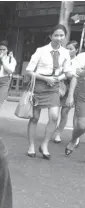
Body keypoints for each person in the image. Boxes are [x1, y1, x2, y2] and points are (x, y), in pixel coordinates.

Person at [25, 24, 72, 160]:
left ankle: (44, 145)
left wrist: (58, 78)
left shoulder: (65, 53)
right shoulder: (41, 51)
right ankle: (31, 146)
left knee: (54, 117)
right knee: (34, 117)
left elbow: (68, 72)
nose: (59, 38)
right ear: (51, 36)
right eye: (56, 35)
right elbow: (29, 70)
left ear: (64, 36)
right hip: (39, 85)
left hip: (54, 87)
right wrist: (46, 78)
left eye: (61, 35)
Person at [53, 41, 80, 145]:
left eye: (71, 49)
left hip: (71, 90)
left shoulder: (78, 61)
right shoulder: (62, 58)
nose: (68, 51)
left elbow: (72, 75)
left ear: (76, 50)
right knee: (54, 112)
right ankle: (53, 129)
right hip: (59, 87)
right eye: (67, 48)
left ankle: (59, 133)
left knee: (64, 113)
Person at [63, 51, 85, 158]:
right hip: (82, 94)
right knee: (81, 125)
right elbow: (75, 77)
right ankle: (73, 140)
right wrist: (70, 95)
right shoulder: (82, 57)